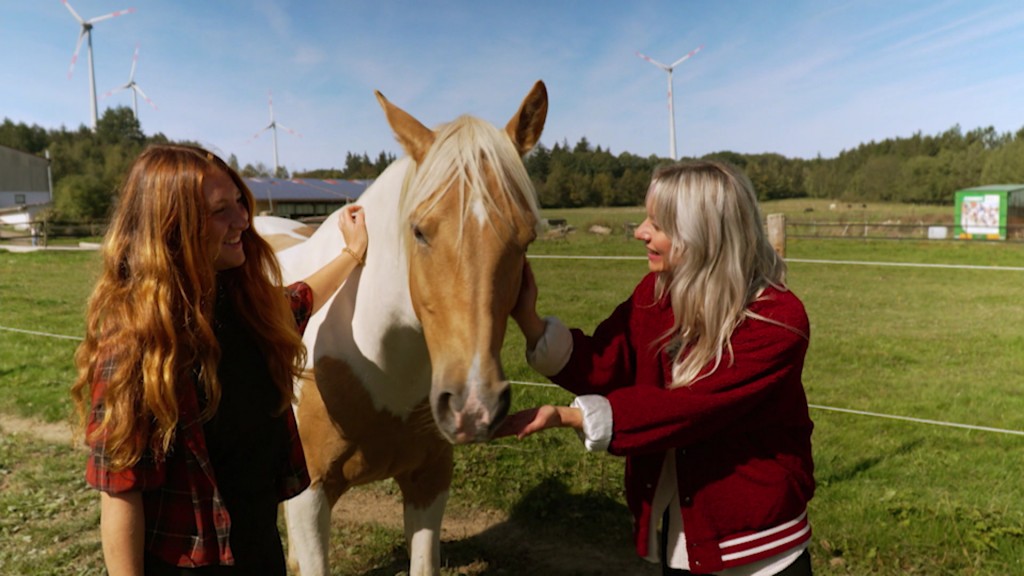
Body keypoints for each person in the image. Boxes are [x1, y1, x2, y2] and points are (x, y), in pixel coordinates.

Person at [497, 160, 815, 576]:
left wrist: (572, 416)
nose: (640, 232)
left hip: (758, 550)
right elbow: (607, 363)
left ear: (704, 234)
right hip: (683, 537)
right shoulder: (657, 292)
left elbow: (690, 409)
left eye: (658, 223)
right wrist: (529, 319)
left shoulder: (777, 319)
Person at [70, 144, 368, 575]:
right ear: (171, 227)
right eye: (220, 211)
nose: (243, 221)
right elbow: (120, 493)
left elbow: (299, 300)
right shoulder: (136, 344)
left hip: (259, 550)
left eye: (239, 204)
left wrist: (352, 254)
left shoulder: (246, 305)